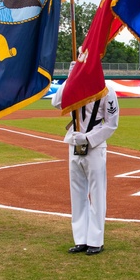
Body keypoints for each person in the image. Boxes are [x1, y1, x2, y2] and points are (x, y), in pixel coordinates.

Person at [51, 63, 120, 255]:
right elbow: (56, 102)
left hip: (95, 146)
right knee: (77, 193)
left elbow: (112, 123)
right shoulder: (74, 86)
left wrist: (89, 138)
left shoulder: (107, 91)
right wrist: (69, 78)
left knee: (97, 194)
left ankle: (96, 240)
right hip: (74, 143)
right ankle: (80, 238)